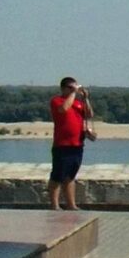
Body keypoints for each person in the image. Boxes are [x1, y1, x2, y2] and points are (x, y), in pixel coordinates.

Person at [47, 76, 94, 211]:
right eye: (71, 87)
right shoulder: (57, 101)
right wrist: (73, 93)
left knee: (70, 176)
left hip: (77, 144)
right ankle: (54, 205)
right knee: (57, 175)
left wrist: (85, 98)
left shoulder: (78, 103)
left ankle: (71, 204)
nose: (75, 90)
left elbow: (89, 114)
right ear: (64, 88)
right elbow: (64, 109)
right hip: (62, 144)